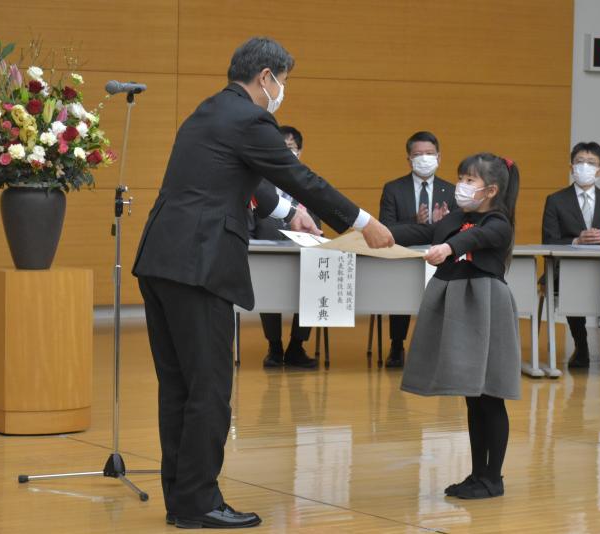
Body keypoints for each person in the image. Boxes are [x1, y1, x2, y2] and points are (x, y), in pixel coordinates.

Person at [132, 37, 394, 529]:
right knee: (209, 389)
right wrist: (362, 222)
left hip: (160, 259)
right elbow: (299, 175)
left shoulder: (208, 112)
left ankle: (184, 498)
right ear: (266, 77)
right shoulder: (252, 119)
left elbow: (247, 179)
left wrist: (291, 215)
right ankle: (199, 503)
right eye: (284, 82)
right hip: (199, 264)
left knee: (179, 387)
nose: (282, 92)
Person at [390, 153, 520, 499]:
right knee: (473, 398)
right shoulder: (455, 218)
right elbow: (423, 231)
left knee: (490, 396)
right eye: (460, 177)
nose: (460, 186)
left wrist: (449, 247)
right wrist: (377, 231)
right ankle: (477, 474)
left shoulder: (498, 221)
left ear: (490, 190)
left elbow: (477, 239)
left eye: (469, 180)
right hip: (459, 306)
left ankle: (493, 477)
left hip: (485, 306)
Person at [542, 141, 600, 368]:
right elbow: (549, 240)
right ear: (571, 167)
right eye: (580, 162)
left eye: (591, 163)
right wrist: (576, 241)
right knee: (575, 284)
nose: (584, 167)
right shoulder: (555, 200)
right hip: (570, 268)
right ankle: (581, 347)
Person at [378, 131, 455, 368]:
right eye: (418, 155)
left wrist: (441, 225)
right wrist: (420, 222)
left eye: (429, 154)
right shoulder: (393, 188)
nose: (424, 159)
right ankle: (397, 345)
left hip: (440, 260)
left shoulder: (451, 191)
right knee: (399, 290)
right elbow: (386, 230)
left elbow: (458, 230)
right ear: (409, 159)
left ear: (439, 158)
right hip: (402, 257)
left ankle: (441, 348)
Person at [251, 125, 318, 369]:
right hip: (266, 255)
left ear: (300, 152)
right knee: (268, 287)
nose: (286, 153)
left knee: (316, 284)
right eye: (281, 148)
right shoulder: (258, 184)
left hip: (304, 256)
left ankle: (296, 346)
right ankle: (274, 346)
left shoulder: (308, 184)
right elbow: (249, 223)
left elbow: (318, 224)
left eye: (291, 148)